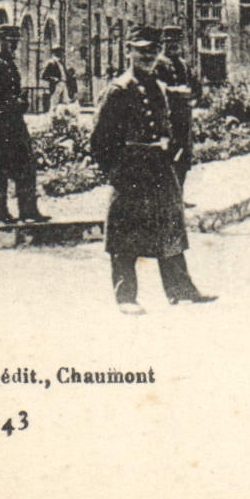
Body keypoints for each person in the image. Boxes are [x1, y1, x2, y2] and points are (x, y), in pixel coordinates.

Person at [92, 26, 216, 314]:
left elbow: (168, 127)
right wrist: (116, 173)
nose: (148, 55)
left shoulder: (159, 88)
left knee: (170, 227)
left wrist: (171, 152)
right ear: (129, 51)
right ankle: (126, 297)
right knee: (125, 234)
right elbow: (99, 140)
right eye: (142, 49)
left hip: (159, 168)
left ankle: (181, 289)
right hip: (131, 170)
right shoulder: (118, 90)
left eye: (153, 50)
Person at [0, 24, 49, 225]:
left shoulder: (9, 63)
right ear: (0, 40)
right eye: (9, 41)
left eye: (15, 41)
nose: (13, 45)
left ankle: (28, 211)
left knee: (27, 167)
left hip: (15, 124)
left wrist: (20, 103)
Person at [154, 26, 201, 206]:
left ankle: (178, 198)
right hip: (168, 118)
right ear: (163, 44)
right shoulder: (158, 64)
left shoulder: (183, 65)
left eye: (176, 42)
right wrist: (173, 92)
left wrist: (193, 99)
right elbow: (155, 88)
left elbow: (196, 86)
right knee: (168, 157)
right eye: (169, 42)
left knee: (184, 158)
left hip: (184, 118)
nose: (173, 46)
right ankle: (166, 199)